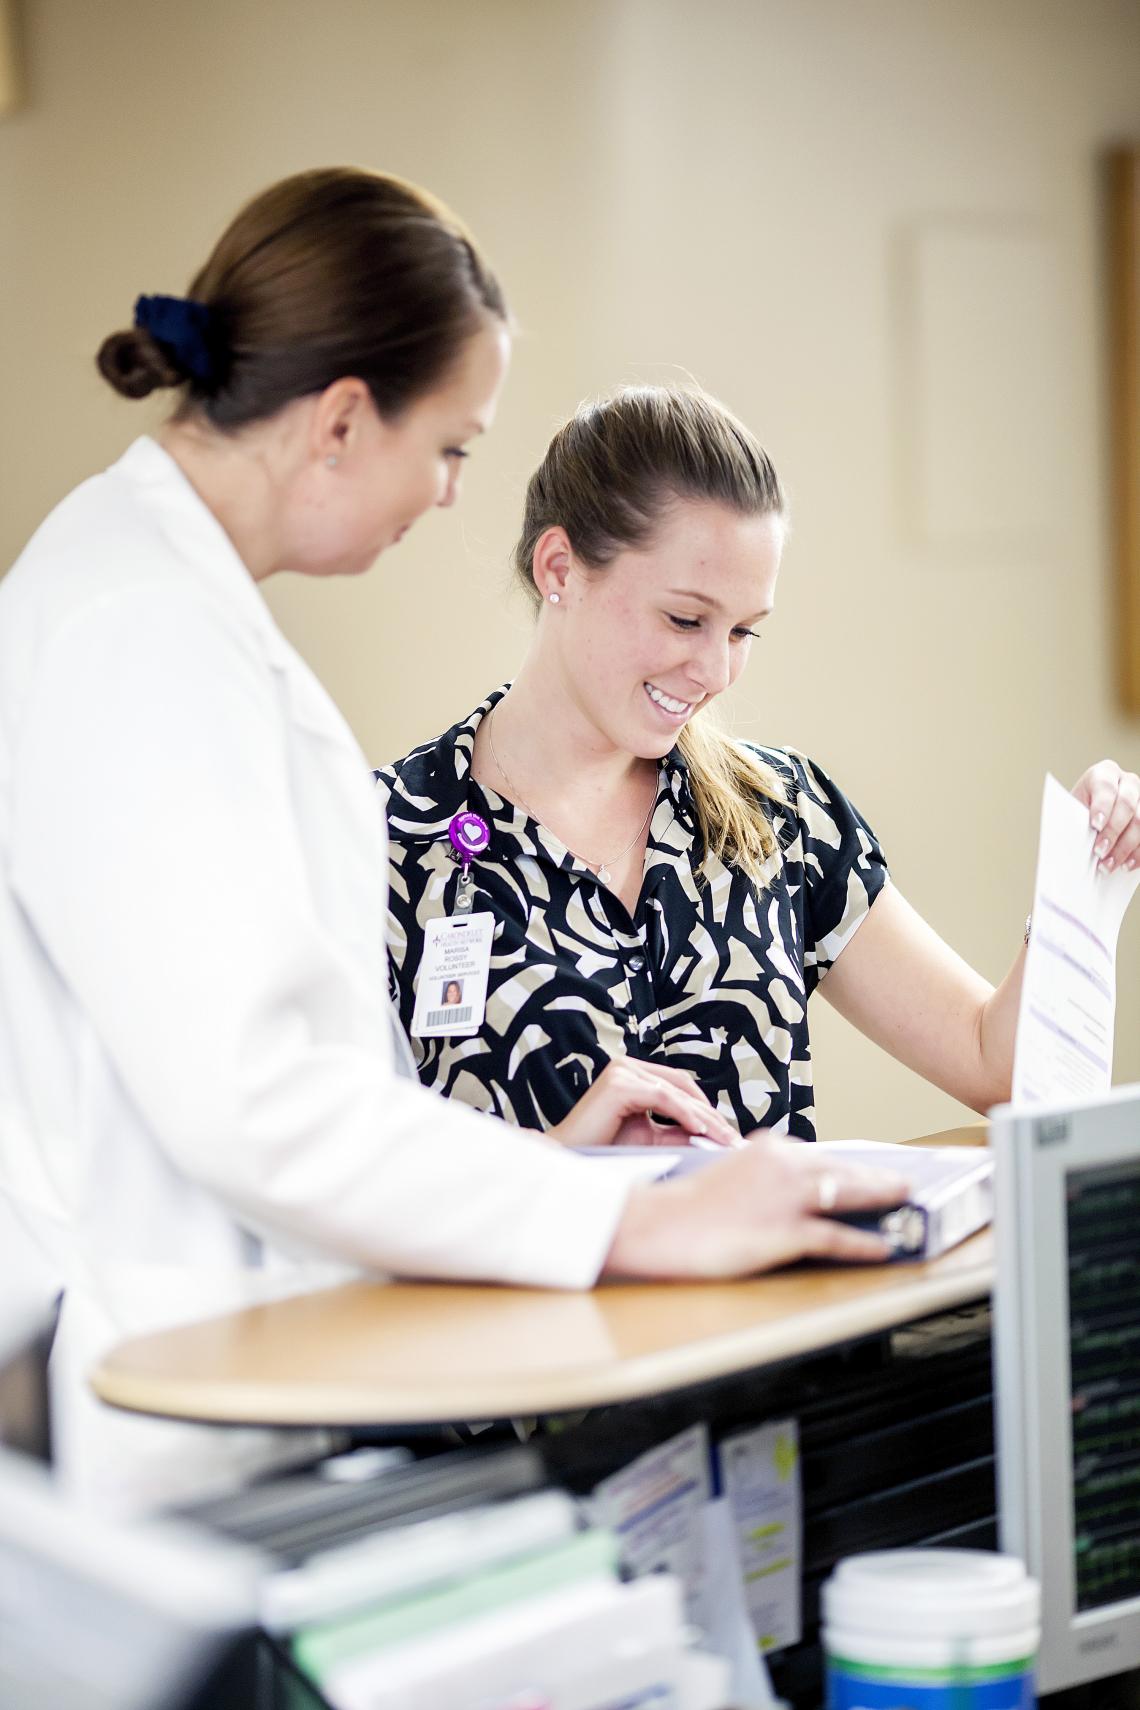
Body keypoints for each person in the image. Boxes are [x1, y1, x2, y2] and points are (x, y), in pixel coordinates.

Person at [0, 174, 908, 1513]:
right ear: (344, 419)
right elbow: (261, 1104)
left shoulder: (158, 601)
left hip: (262, 1363)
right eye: (451, 447)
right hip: (185, 1400)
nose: (446, 496)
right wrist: (630, 1217)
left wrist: (543, 1172)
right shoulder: (135, 630)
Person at [380, 385, 1140, 1139]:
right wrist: (557, 1166)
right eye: (685, 618)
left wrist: (1087, 873)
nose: (714, 671)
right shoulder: (386, 839)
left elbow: (1000, 1069)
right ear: (559, 569)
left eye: (744, 631)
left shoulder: (781, 813)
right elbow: (335, 1188)